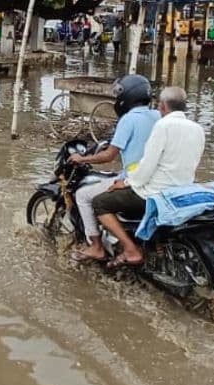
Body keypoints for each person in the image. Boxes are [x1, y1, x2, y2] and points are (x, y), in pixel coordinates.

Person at [91, 86, 205, 268]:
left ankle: (131, 249)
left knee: (100, 202)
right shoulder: (197, 129)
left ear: (163, 106)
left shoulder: (163, 126)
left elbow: (147, 165)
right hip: (181, 191)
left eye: (159, 105)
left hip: (155, 193)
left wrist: (126, 182)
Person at [68, 75, 160, 264]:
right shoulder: (158, 115)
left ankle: (97, 247)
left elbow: (109, 155)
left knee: (83, 196)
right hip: (156, 179)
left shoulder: (128, 119)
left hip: (133, 180)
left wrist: (82, 158)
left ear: (127, 96)